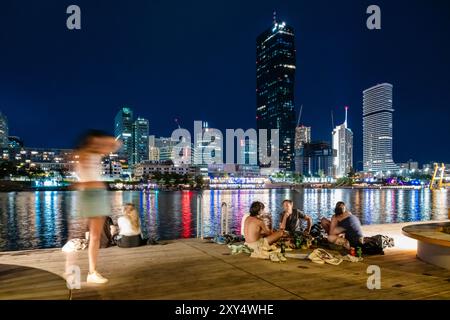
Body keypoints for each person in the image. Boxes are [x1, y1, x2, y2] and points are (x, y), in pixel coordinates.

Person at [73, 130, 121, 284]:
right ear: (89, 141)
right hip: (91, 195)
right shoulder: (84, 155)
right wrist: (98, 184)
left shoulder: (95, 153)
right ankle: (91, 272)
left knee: (96, 236)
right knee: (94, 237)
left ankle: (92, 272)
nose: (99, 144)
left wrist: (109, 141)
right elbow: (82, 181)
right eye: (96, 141)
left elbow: (116, 144)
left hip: (97, 195)